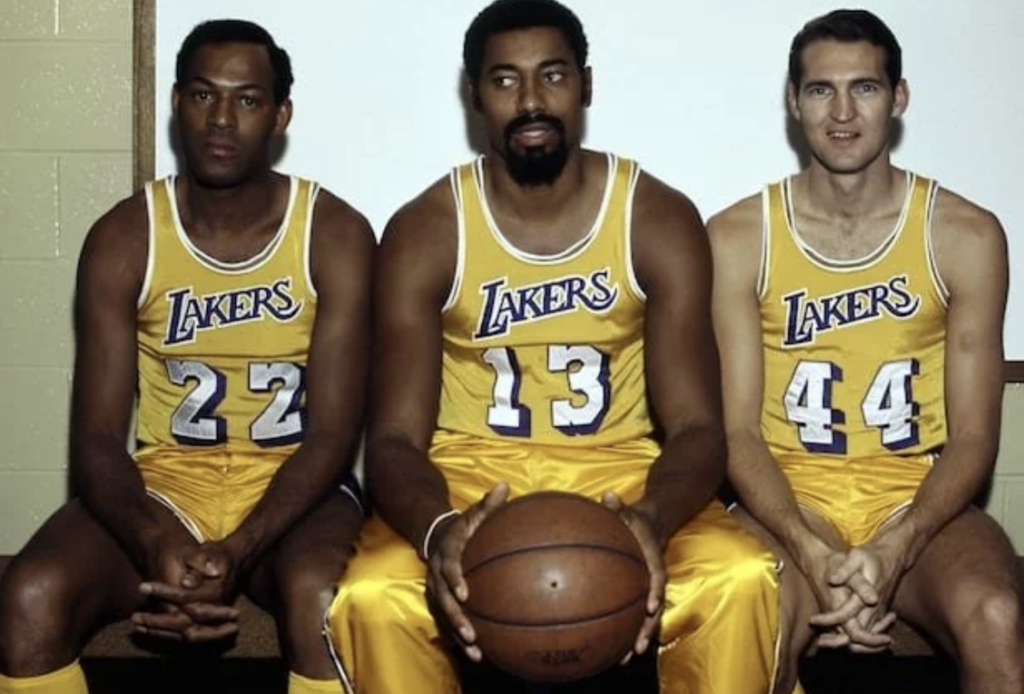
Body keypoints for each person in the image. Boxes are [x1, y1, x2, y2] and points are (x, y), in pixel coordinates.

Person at [323, 1, 782, 692]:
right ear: (473, 94)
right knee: (372, 598)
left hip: (623, 478)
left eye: (553, 76)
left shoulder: (656, 217)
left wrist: (651, 519)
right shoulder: (426, 229)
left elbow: (696, 428)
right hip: (470, 480)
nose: (531, 100)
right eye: (505, 80)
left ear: (586, 86)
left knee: (739, 581)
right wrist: (440, 529)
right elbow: (390, 441)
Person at [0, 19, 373, 694]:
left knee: (327, 604)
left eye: (248, 99)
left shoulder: (335, 233)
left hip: (296, 488)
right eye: (203, 95)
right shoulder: (124, 237)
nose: (222, 119)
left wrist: (238, 549)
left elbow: (334, 438)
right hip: (169, 485)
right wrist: (153, 539)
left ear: (280, 114)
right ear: (176, 104)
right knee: (30, 595)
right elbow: (97, 440)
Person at [709, 9, 1022, 694]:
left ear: (899, 98)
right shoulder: (737, 236)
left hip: (913, 495)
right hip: (788, 497)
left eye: (866, 88)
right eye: (821, 90)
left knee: (997, 615)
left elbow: (973, 437)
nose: (843, 112)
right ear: (794, 103)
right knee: (745, 620)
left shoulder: (965, 234)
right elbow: (734, 432)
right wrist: (809, 548)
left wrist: (895, 546)